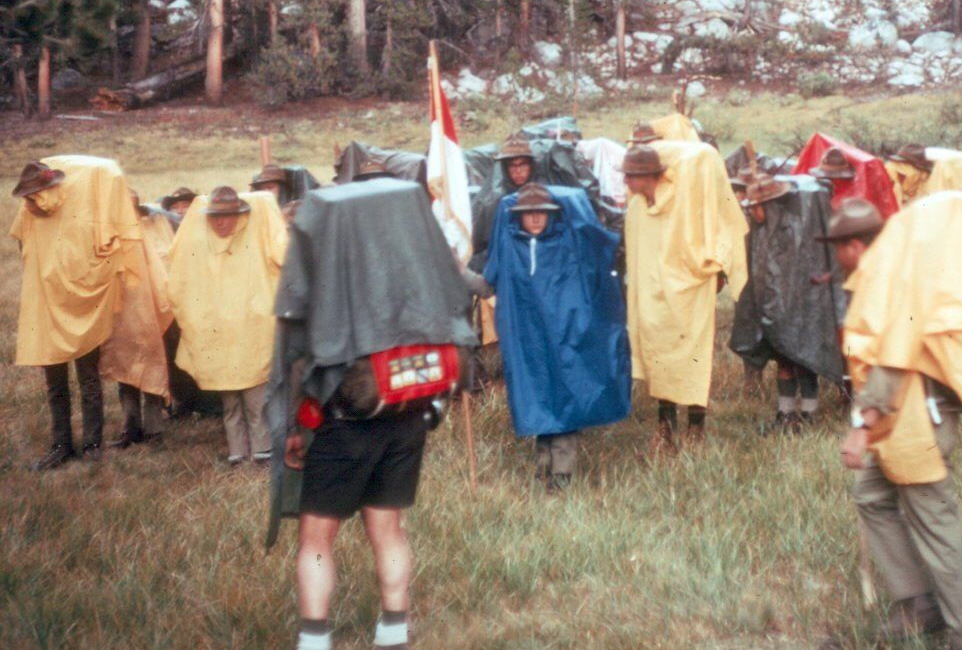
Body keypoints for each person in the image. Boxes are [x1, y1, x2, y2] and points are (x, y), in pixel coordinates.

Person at [267, 177, 478, 650]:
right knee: (388, 527)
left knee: (316, 536)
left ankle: (315, 638)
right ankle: (394, 628)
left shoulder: (326, 268)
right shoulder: (417, 259)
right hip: (408, 414)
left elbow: (294, 350)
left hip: (345, 422)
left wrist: (291, 428)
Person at [831, 194, 962, 650]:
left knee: (936, 526)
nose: (837, 259)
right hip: (903, 419)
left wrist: (862, 426)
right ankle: (918, 606)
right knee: (871, 496)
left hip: (916, 421)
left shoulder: (890, 275)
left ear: (854, 246)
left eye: (837, 249)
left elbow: (894, 356)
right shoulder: (893, 267)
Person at [484, 183, 630, 490]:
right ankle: (543, 469)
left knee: (565, 397)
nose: (536, 218)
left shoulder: (566, 245)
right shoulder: (511, 249)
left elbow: (589, 279)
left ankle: (561, 475)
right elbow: (490, 281)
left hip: (564, 336)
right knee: (537, 397)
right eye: (529, 213)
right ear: (518, 216)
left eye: (542, 212)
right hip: (529, 340)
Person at [10, 158, 139, 469]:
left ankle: (93, 444)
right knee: (55, 383)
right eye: (27, 198)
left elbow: (105, 252)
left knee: (88, 378)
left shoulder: (80, 217)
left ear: (51, 191)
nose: (30, 204)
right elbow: (23, 247)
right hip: (46, 309)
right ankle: (61, 445)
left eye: (35, 197)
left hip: (82, 310)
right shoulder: (29, 215)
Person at [622, 142, 747, 454]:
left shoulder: (682, 200)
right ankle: (665, 426)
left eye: (630, 176)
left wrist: (709, 270)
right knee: (660, 359)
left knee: (693, 358)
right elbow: (638, 254)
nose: (626, 182)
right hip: (652, 299)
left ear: (649, 176)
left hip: (688, 293)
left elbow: (702, 234)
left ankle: (695, 427)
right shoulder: (636, 210)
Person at [167, 186, 287, 466]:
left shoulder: (255, 240)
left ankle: (262, 451)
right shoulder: (199, 247)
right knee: (229, 400)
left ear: (239, 215)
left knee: (256, 399)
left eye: (228, 216)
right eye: (215, 217)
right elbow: (181, 283)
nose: (221, 222)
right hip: (220, 338)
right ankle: (237, 452)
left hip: (251, 335)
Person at [730, 173, 845, 433]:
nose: (752, 213)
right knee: (783, 360)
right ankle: (785, 413)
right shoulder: (760, 231)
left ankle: (808, 413)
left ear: (768, 204)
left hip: (803, 309)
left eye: (755, 207)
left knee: (805, 361)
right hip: (776, 310)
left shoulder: (794, 228)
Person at [103, 191, 174, 449]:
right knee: (125, 369)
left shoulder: (146, 232)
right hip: (120, 314)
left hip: (146, 312)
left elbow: (160, 273)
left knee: (150, 368)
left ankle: (154, 428)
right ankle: (130, 427)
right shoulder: (109, 235)